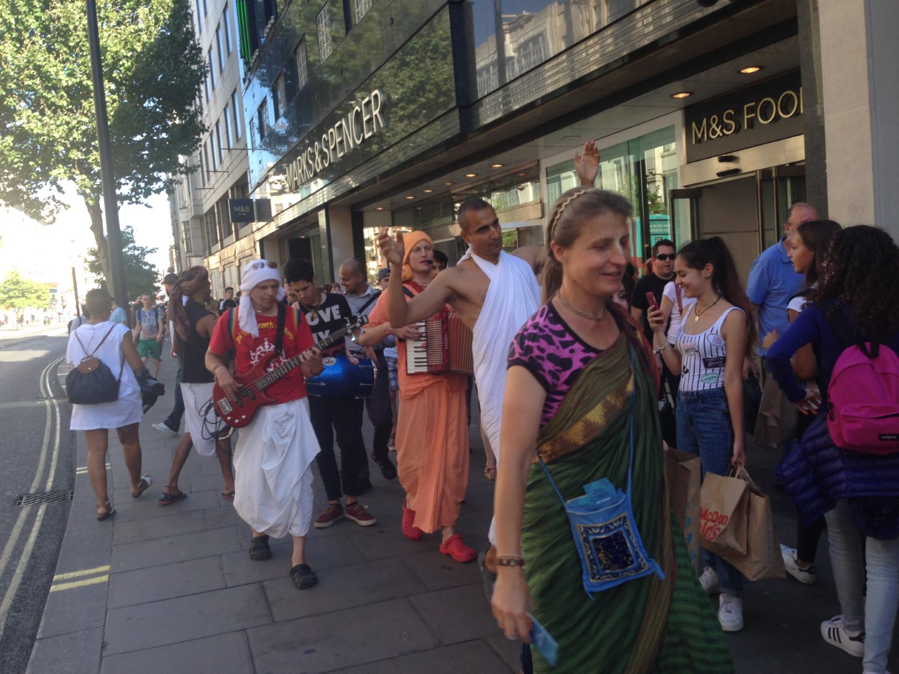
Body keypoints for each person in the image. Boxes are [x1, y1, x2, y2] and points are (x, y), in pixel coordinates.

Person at [492, 188, 733, 673]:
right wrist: (510, 571)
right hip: (564, 549)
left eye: (623, 243)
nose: (619, 258)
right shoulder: (538, 342)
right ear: (559, 252)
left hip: (644, 530)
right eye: (601, 246)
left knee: (689, 651)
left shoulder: (624, 324)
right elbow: (514, 462)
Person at [377, 198, 541, 561]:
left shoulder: (524, 260)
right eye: (483, 229)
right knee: (523, 473)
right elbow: (401, 314)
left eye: (496, 224)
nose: (495, 233)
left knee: (544, 474)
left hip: (548, 383)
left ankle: (510, 554)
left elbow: (568, 247)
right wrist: (392, 268)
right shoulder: (454, 278)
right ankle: (503, 555)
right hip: (502, 389)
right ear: (464, 235)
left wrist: (586, 187)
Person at [767, 225, 899, 671]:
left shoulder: (823, 311)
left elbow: (776, 355)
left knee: (841, 535)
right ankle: (876, 664)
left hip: (839, 436)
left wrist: (797, 395)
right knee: (884, 553)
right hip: (894, 442)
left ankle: (853, 629)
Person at [648, 236, 756, 632]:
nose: (677, 282)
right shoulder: (689, 311)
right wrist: (659, 334)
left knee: (721, 500)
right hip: (687, 406)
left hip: (714, 408)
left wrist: (739, 435)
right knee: (696, 497)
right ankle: (710, 569)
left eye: (682, 274)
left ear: (707, 270)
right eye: (675, 274)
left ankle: (731, 590)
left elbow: (732, 379)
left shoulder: (733, 316)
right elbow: (676, 369)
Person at [205, 260, 323, 589]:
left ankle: (299, 558)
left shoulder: (294, 317)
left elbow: (311, 370)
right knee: (254, 477)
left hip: (292, 405)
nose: (270, 293)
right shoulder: (231, 319)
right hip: (253, 410)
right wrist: (221, 371)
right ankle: (259, 530)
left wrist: (314, 363)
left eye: (274, 286)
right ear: (247, 289)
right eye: (262, 288)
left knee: (298, 478)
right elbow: (212, 355)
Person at [370, 231, 476, 562]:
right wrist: (393, 328)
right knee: (416, 458)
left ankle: (448, 532)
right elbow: (363, 336)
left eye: (429, 248)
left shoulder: (450, 289)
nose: (426, 253)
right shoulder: (396, 293)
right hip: (417, 387)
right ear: (405, 258)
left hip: (452, 385)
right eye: (418, 249)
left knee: (453, 459)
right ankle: (412, 503)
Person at [762, 219, 842, 585]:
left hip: (820, 407)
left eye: (794, 247)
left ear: (815, 252)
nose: (788, 252)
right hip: (864, 407)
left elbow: (803, 363)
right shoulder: (857, 298)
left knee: (817, 490)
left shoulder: (806, 302)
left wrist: (770, 346)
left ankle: (807, 562)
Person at [284, 259, 377, 528]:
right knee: (321, 445)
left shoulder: (337, 302)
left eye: (305, 288)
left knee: (350, 439)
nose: (302, 295)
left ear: (314, 279)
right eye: (296, 291)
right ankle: (333, 502)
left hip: (343, 378)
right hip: (312, 386)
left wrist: (365, 346)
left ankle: (352, 500)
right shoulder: (293, 312)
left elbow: (355, 330)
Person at [67, 289, 153, 520]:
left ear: (87, 308)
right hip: (120, 395)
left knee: (95, 450)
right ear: (109, 308)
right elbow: (136, 365)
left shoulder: (75, 334)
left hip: (88, 397)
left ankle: (102, 504)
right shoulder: (118, 330)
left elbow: (75, 362)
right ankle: (136, 485)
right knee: (129, 441)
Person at [157, 267, 236, 505]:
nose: (211, 286)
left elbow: (178, 351)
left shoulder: (180, 314)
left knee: (191, 431)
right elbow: (221, 352)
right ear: (202, 288)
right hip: (208, 382)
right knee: (222, 430)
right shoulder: (206, 318)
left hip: (187, 382)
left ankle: (171, 485)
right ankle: (229, 485)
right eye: (208, 283)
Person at [338, 258, 397, 481]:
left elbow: (391, 336)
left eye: (346, 279)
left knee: (383, 417)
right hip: (350, 363)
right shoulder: (340, 302)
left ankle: (380, 453)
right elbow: (346, 331)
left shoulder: (380, 299)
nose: (342, 283)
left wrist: (375, 337)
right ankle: (360, 473)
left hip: (377, 363)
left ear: (360, 277)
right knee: (351, 425)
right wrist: (365, 340)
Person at [747, 202, 818, 358]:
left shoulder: (824, 260)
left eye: (815, 224)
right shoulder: (768, 260)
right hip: (781, 354)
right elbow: (750, 309)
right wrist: (745, 356)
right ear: (787, 229)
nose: (811, 230)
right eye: (804, 224)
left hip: (816, 355)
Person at [153, 273, 185, 436]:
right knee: (183, 385)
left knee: (181, 385)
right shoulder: (178, 299)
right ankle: (173, 421)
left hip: (185, 350)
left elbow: (178, 326)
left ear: (168, 285)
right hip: (183, 349)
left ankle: (173, 422)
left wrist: (175, 346)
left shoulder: (177, 299)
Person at [377, 267, 399, 451]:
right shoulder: (378, 302)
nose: (389, 284)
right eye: (386, 280)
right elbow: (357, 335)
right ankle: (394, 430)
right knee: (391, 395)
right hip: (388, 355)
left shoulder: (403, 296)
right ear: (380, 283)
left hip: (407, 353)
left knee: (407, 395)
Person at [133, 293, 164, 378]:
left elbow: (160, 324)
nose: (146, 301)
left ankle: (154, 377)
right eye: (145, 299)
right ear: (142, 301)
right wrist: (134, 337)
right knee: (143, 359)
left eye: (148, 299)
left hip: (155, 338)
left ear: (151, 300)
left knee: (155, 359)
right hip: (143, 339)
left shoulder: (156, 311)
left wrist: (160, 334)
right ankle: (144, 377)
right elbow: (138, 326)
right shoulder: (138, 312)